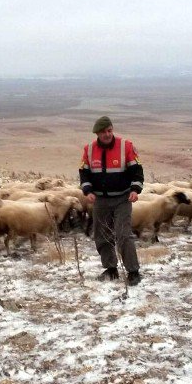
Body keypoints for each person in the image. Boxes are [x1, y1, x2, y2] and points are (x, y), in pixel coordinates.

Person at [79, 116, 144, 286]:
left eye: (109, 130)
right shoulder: (89, 150)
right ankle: (111, 269)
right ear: (97, 133)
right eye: (103, 132)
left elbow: (137, 171)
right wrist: (87, 189)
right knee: (102, 235)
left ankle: (133, 271)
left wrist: (135, 189)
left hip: (122, 198)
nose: (107, 134)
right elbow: (84, 172)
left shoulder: (126, 146)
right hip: (100, 200)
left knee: (124, 234)